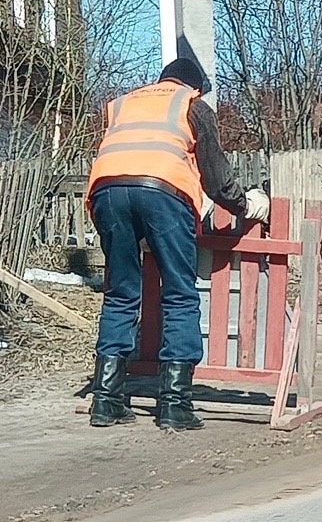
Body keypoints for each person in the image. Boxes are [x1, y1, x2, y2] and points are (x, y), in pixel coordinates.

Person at [86, 58, 270, 431]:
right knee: (180, 294)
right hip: (162, 192)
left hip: (106, 191)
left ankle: (105, 401)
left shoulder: (124, 102)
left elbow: (126, 155)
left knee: (120, 294)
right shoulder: (190, 104)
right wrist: (246, 203)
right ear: (197, 87)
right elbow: (216, 178)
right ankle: (174, 405)